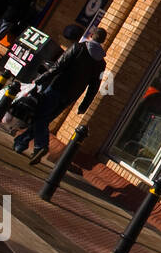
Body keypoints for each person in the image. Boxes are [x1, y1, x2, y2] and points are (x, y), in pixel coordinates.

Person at [14, 26, 108, 165]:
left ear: (92, 35)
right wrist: (84, 105)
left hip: (57, 87)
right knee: (45, 119)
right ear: (102, 41)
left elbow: (58, 66)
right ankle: (21, 142)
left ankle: (41, 146)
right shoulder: (101, 63)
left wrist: (40, 79)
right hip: (71, 96)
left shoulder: (78, 48)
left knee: (40, 117)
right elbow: (94, 86)